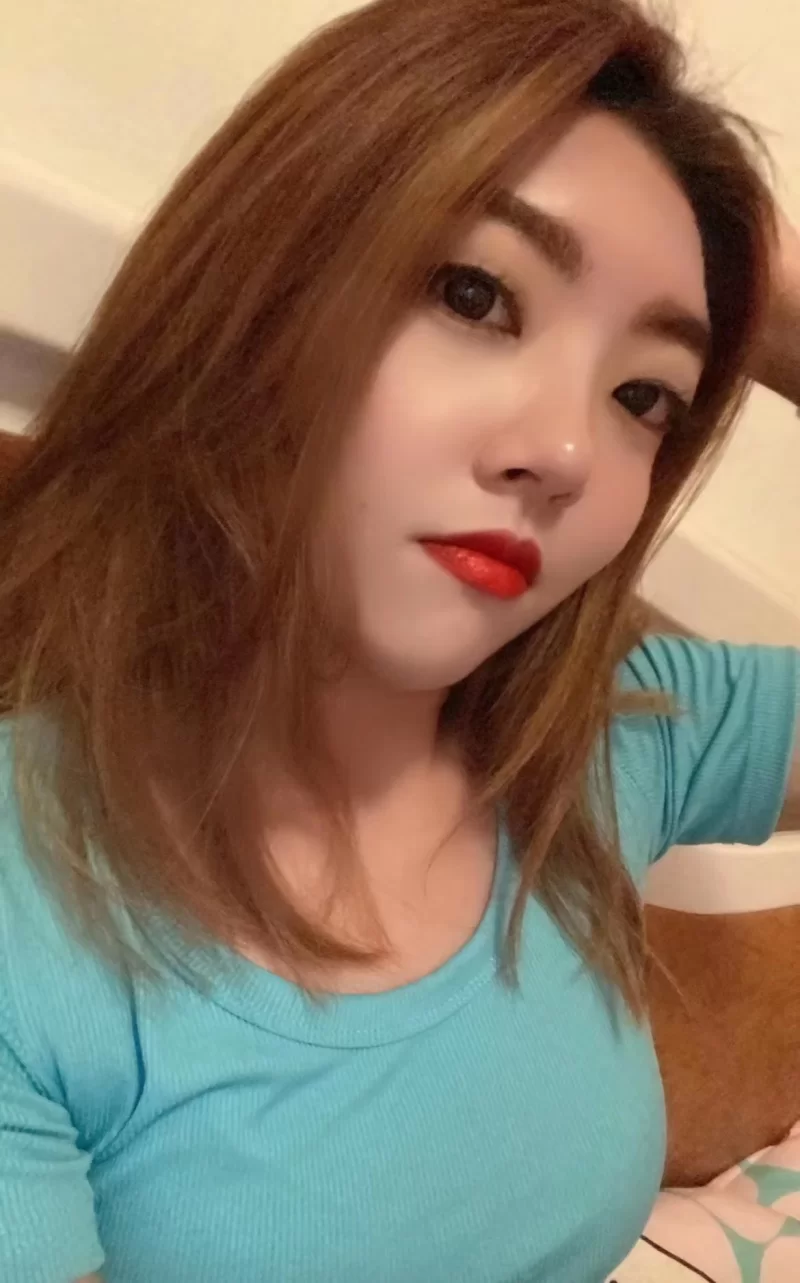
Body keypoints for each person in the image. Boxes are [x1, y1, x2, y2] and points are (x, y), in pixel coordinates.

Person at [0, 0, 798, 1279]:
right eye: (475, 294)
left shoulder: (604, 739)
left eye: (643, 394)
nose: (566, 450)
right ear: (255, 289)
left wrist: (770, 299)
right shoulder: (26, 914)